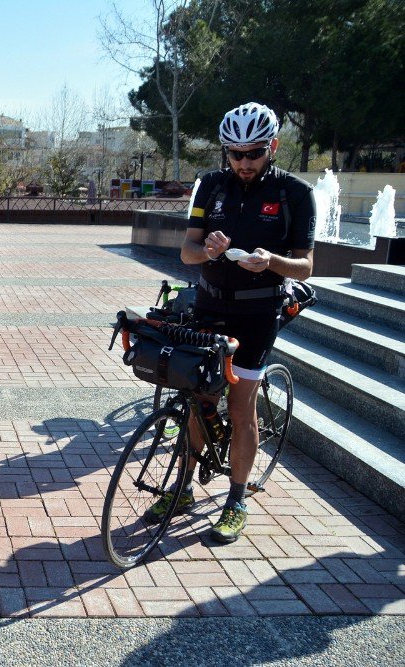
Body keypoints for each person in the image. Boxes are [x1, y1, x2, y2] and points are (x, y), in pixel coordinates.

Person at [145, 102, 315, 543]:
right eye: (234, 153)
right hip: (208, 304)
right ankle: (182, 487)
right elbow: (188, 252)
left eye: (253, 153)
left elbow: (306, 267)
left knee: (240, 408)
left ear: (272, 148)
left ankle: (236, 498)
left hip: (258, 313)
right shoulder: (212, 188)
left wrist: (271, 261)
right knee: (197, 399)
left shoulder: (293, 193)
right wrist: (209, 253)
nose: (242, 162)